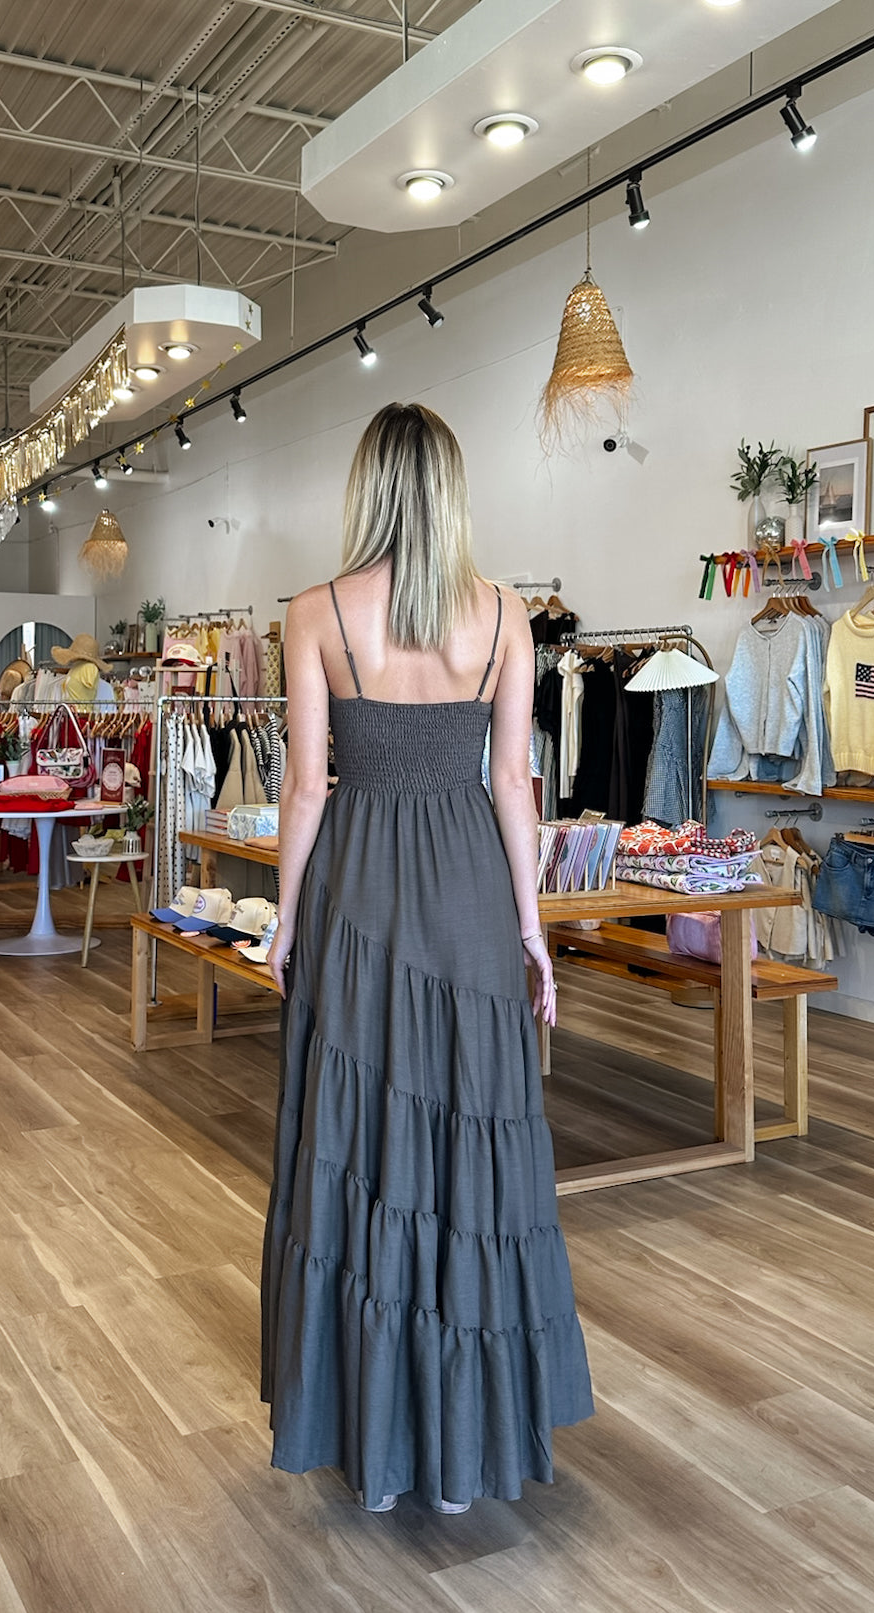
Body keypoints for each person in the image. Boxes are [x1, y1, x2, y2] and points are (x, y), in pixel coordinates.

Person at [262, 402, 593, 1515]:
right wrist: (532, 928)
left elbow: (305, 788)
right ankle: (461, 1458)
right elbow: (513, 785)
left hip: (358, 893)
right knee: (468, 1149)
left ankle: (371, 1440)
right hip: (467, 896)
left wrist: (283, 918)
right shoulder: (504, 614)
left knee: (360, 1142)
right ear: (451, 491)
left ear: (367, 486)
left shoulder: (315, 611)